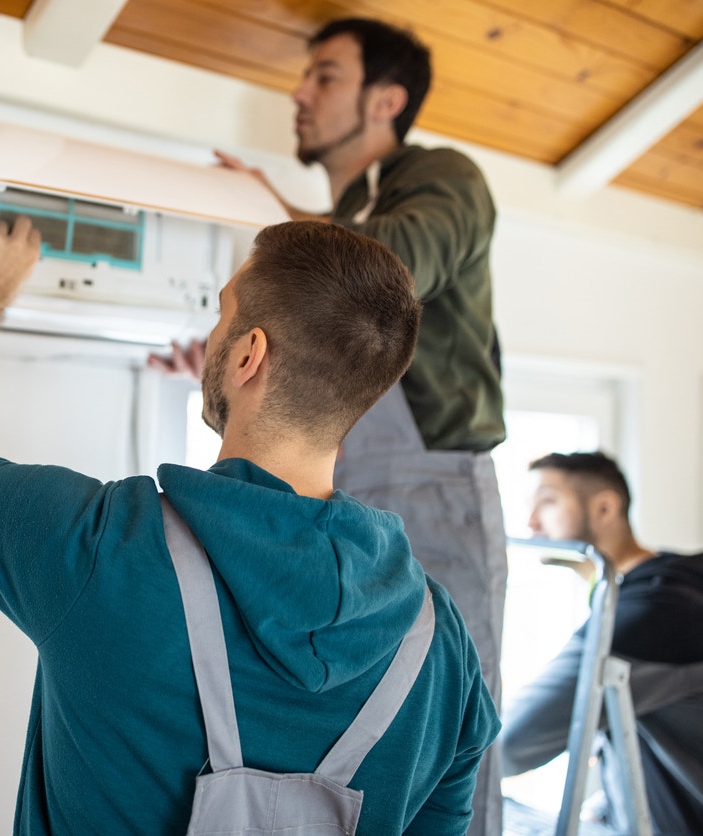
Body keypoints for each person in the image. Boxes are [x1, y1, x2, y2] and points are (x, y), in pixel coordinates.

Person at [0, 216, 500, 834]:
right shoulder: (441, 645)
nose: (212, 334)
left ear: (249, 354)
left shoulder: (103, 547)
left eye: (222, 314)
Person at [151, 17, 507, 833]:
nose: (298, 92)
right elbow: (333, 315)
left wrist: (281, 228)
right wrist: (235, 361)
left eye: (324, 76)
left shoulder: (441, 177)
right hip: (345, 483)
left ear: (385, 100)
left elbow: (381, 280)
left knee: (448, 721)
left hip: (433, 479)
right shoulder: (348, 209)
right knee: (350, 722)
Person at [502, 451, 703, 834]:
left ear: (604, 508)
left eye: (547, 502)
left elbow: (507, 744)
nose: (531, 522)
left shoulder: (659, 613)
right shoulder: (674, 589)